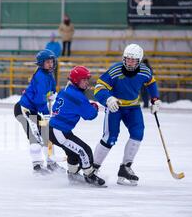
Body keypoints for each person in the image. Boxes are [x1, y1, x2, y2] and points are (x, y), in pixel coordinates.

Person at [92, 44, 162, 186]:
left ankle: (125, 167)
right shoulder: (115, 70)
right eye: (127, 59)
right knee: (110, 137)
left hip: (133, 107)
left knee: (138, 133)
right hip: (115, 107)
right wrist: (108, 98)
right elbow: (99, 87)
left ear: (139, 61)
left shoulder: (145, 71)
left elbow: (151, 83)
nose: (129, 62)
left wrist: (155, 99)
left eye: (133, 60)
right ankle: (92, 169)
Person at [49, 66, 105, 186]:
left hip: (57, 129)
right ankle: (89, 175)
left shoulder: (66, 90)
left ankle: (73, 175)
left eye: (87, 80)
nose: (87, 83)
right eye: (84, 80)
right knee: (84, 150)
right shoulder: (77, 97)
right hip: (59, 132)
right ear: (76, 80)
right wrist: (94, 106)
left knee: (72, 153)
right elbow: (89, 115)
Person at [14, 49, 63, 175]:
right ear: (41, 63)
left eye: (52, 62)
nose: (51, 64)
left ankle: (51, 163)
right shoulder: (41, 76)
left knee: (47, 134)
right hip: (24, 110)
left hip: (32, 110)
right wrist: (46, 113)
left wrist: (53, 94)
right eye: (47, 62)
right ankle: (37, 166)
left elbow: (51, 89)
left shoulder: (48, 74)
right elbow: (39, 99)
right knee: (34, 137)